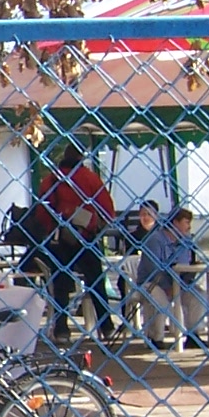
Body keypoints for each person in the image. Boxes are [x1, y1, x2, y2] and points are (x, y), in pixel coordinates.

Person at [39, 144, 119, 342]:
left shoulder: (51, 180)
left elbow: (41, 212)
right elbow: (107, 209)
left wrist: (52, 227)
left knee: (61, 285)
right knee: (96, 283)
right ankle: (106, 326)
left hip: (59, 239)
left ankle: (61, 329)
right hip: (86, 237)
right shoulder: (90, 178)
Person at [134, 206, 198, 349]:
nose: (189, 227)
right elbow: (153, 269)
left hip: (178, 283)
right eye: (186, 222)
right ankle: (155, 338)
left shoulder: (186, 241)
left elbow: (187, 266)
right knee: (160, 299)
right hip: (152, 283)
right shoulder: (155, 240)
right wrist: (168, 287)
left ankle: (194, 335)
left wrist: (185, 282)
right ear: (175, 223)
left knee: (198, 295)